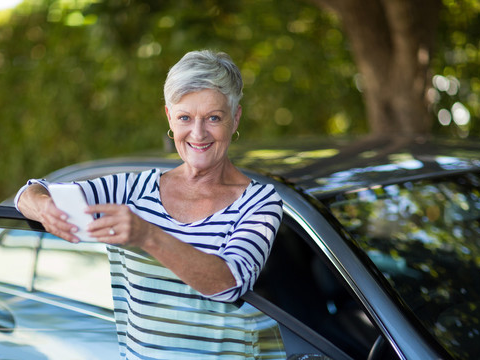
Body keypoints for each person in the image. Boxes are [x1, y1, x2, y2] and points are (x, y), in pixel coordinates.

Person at [15, 50, 283, 359]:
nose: (198, 133)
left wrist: (147, 235)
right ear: (169, 117)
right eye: (185, 117)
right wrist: (45, 208)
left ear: (235, 119)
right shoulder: (136, 188)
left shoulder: (259, 202)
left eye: (213, 117)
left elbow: (228, 283)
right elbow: (31, 192)